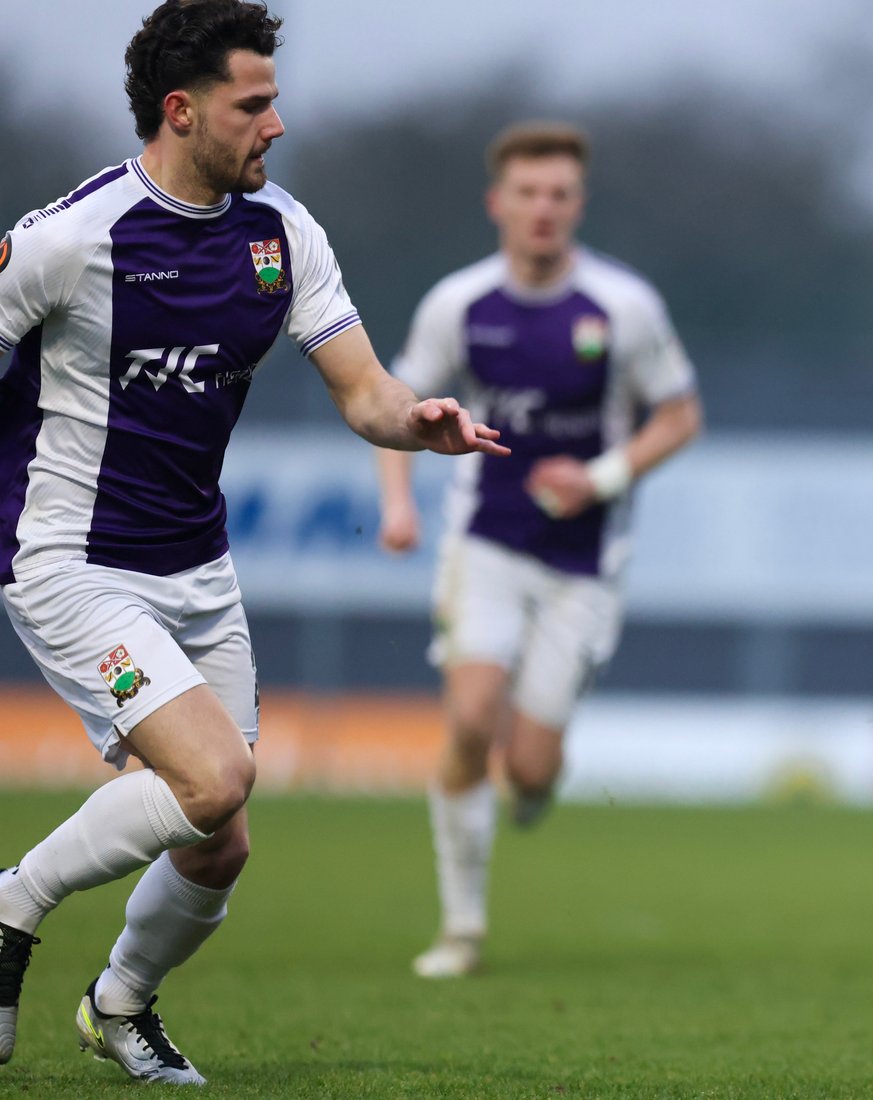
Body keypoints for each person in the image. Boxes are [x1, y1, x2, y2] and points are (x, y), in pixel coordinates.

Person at [0, 1, 506, 1084]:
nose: (277, 124)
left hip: (197, 565)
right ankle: (13, 905)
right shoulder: (68, 240)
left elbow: (365, 390)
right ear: (183, 112)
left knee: (217, 838)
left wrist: (416, 420)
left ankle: (120, 1003)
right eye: (255, 103)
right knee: (215, 775)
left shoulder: (282, 234)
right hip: (70, 561)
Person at [376, 122, 703, 979]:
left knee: (529, 767)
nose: (543, 208)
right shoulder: (459, 304)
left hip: (586, 561)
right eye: (527, 193)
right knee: (471, 716)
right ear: (498, 203)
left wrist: (597, 479)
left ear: (577, 204)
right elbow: (397, 408)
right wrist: (399, 504)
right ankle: (462, 928)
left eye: (559, 194)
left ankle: (532, 782)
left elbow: (680, 416)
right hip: (485, 539)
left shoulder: (621, 306)